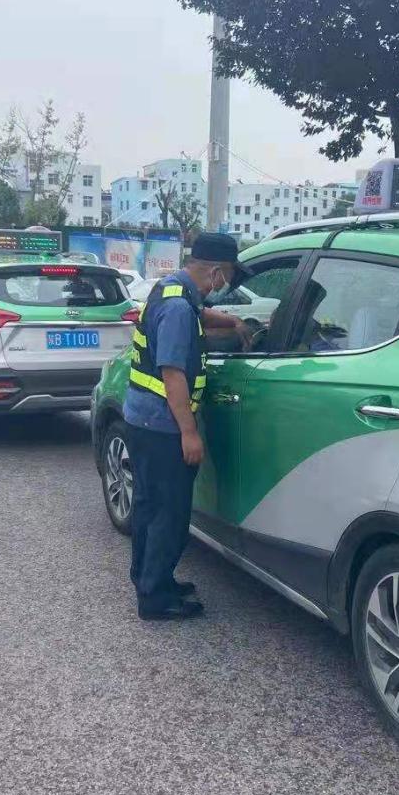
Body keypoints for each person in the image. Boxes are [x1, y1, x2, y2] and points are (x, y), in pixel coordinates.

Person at [125, 232, 250, 621]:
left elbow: (199, 315)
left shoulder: (170, 290)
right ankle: (156, 599)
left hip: (142, 419)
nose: (224, 284)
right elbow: (173, 373)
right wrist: (189, 432)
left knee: (148, 507)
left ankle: (150, 579)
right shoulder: (179, 309)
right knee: (170, 514)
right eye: (227, 276)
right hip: (163, 425)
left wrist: (232, 321)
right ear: (215, 271)